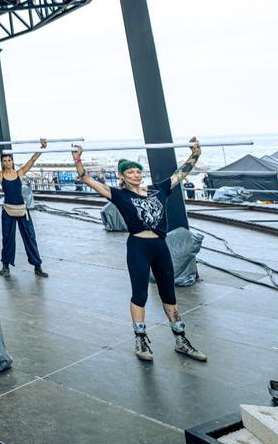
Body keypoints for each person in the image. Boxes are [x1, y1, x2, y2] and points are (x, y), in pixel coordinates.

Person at [73, 139, 207, 363]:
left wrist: (196, 154)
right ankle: (141, 338)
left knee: (169, 294)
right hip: (138, 247)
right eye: (130, 172)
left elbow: (180, 174)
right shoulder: (119, 195)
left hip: (160, 246)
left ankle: (181, 339)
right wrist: (77, 159)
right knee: (140, 294)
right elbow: (86, 178)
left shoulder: (158, 190)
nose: (135, 174)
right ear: (123, 176)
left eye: (138, 171)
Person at [0, 139, 49, 278]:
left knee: (30, 237)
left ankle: (37, 266)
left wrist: (42, 147)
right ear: (2, 163)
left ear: (12, 162)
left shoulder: (19, 173)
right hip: (8, 210)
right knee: (7, 238)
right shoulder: (0, 175)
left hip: (21, 210)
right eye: (5, 161)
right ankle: (5, 266)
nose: (7, 163)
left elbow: (32, 160)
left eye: (9, 160)